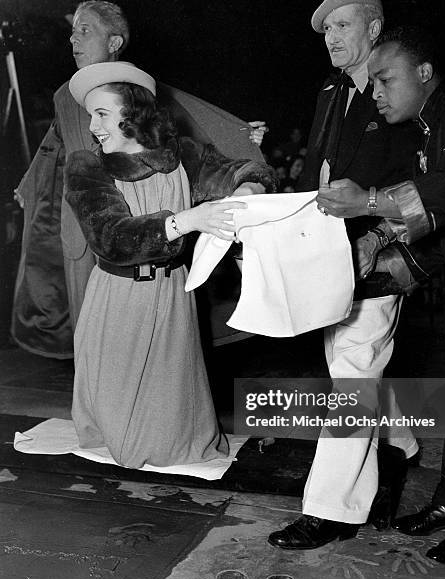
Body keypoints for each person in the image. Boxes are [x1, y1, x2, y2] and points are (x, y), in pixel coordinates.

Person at [268, 0, 441, 552]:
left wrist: (377, 235)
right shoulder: (329, 90)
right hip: (327, 250)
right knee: (349, 360)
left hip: (379, 252)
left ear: (373, 29)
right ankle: (399, 445)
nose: (331, 38)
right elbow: (319, 168)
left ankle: (332, 508)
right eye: (325, 29)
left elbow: (423, 183)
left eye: (342, 25)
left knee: (353, 370)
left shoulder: (399, 94)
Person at [11, 0, 267, 359]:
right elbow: (51, 146)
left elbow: (193, 125)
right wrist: (27, 186)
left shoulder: (142, 94)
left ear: (115, 42)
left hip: (142, 229)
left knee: (149, 348)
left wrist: (239, 136)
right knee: (94, 343)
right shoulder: (63, 97)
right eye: (72, 32)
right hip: (83, 237)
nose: (73, 40)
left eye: (84, 30)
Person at [317, 26, 445, 565]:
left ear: (425, 74)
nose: (378, 92)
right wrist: (378, 257)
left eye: (386, 79)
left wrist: (368, 202)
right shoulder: (431, 130)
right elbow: (437, 231)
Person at [64, 61, 276, 468]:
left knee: (170, 421)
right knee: (119, 425)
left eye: (102, 113)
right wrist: (185, 220)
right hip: (117, 300)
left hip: (172, 293)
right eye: (91, 115)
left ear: (134, 111)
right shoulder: (86, 166)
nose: (92, 125)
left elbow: (241, 170)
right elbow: (110, 237)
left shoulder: (183, 156)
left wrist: (247, 186)